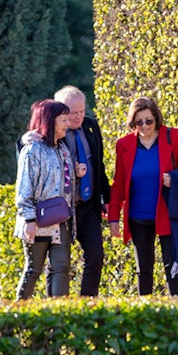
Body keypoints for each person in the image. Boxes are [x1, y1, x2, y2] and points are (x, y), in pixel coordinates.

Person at [108, 97, 178, 296]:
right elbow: (119, 184)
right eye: (138, 122)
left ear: (156, 118)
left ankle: (176, 313)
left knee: (172, 267)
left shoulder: (173, 137)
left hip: (168, 213)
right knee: (144, 269)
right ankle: (145, 316)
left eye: (149, 121)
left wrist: (174, 178)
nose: (144, 126)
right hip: (138, 216)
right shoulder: (124, 144)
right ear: (132, 123)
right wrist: (113, 217)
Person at [15, 100, 80, 300]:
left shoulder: (62, 149)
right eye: (63, 119)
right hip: (38, 222)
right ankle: (16, 314)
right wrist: (29, 220)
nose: (67, 124)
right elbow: (24, 188)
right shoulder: (32, 150)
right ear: (50, 121)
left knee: (61, 268)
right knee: (34, 270)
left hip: (60, 222)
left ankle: (59, 319)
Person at [55, 86, 111, 296]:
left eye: (81, 111)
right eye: (72, 113)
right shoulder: (52, 132)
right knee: (59, 263)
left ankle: (87, 304)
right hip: (62, 208)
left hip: (88, 205)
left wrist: (107, 198)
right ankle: (57, 308)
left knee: (96, 255)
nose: (78, 117)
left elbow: (99, 165)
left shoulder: (90, 126)